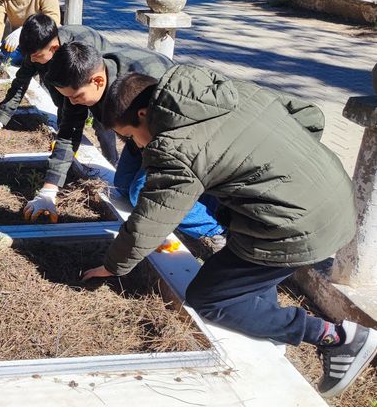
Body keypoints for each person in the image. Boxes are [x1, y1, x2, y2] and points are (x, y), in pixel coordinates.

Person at [83, 66, 376, 399]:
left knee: (209, 298)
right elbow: (308, 114)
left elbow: (150, 220)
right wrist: (289, 168)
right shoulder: (219, 90)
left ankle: (336, 337)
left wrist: (111, 265)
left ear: (144, 113)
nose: (135, 145)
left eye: (131, 136)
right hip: (334, 193)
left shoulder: (174, 146)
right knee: (237, 260)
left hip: (299, 228)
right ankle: (265, 324)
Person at [27, 41, 225, 249]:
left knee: (140, 191)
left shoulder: (144, 84)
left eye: (75, 97)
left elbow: (175, 138)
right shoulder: (79, 81)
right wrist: (49, 190)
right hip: (140, 138)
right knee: (122, 185)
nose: (73, 102)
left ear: (97, 81)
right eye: (68, 97)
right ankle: (195, 204)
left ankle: (215, 229)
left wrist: (147, 230)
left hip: (179, 135)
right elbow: (68, 133)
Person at [0, 14, 116, 162]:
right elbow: (20, 84)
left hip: (100, 81)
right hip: (72, 79)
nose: (32, 60)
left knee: (103, 120)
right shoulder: (36, 53)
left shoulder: (80, 48)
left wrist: (69, 142)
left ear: (54, 49)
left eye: (36, 56)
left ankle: (112, 162)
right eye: (30, 56)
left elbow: (81, 100)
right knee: (62, 95)